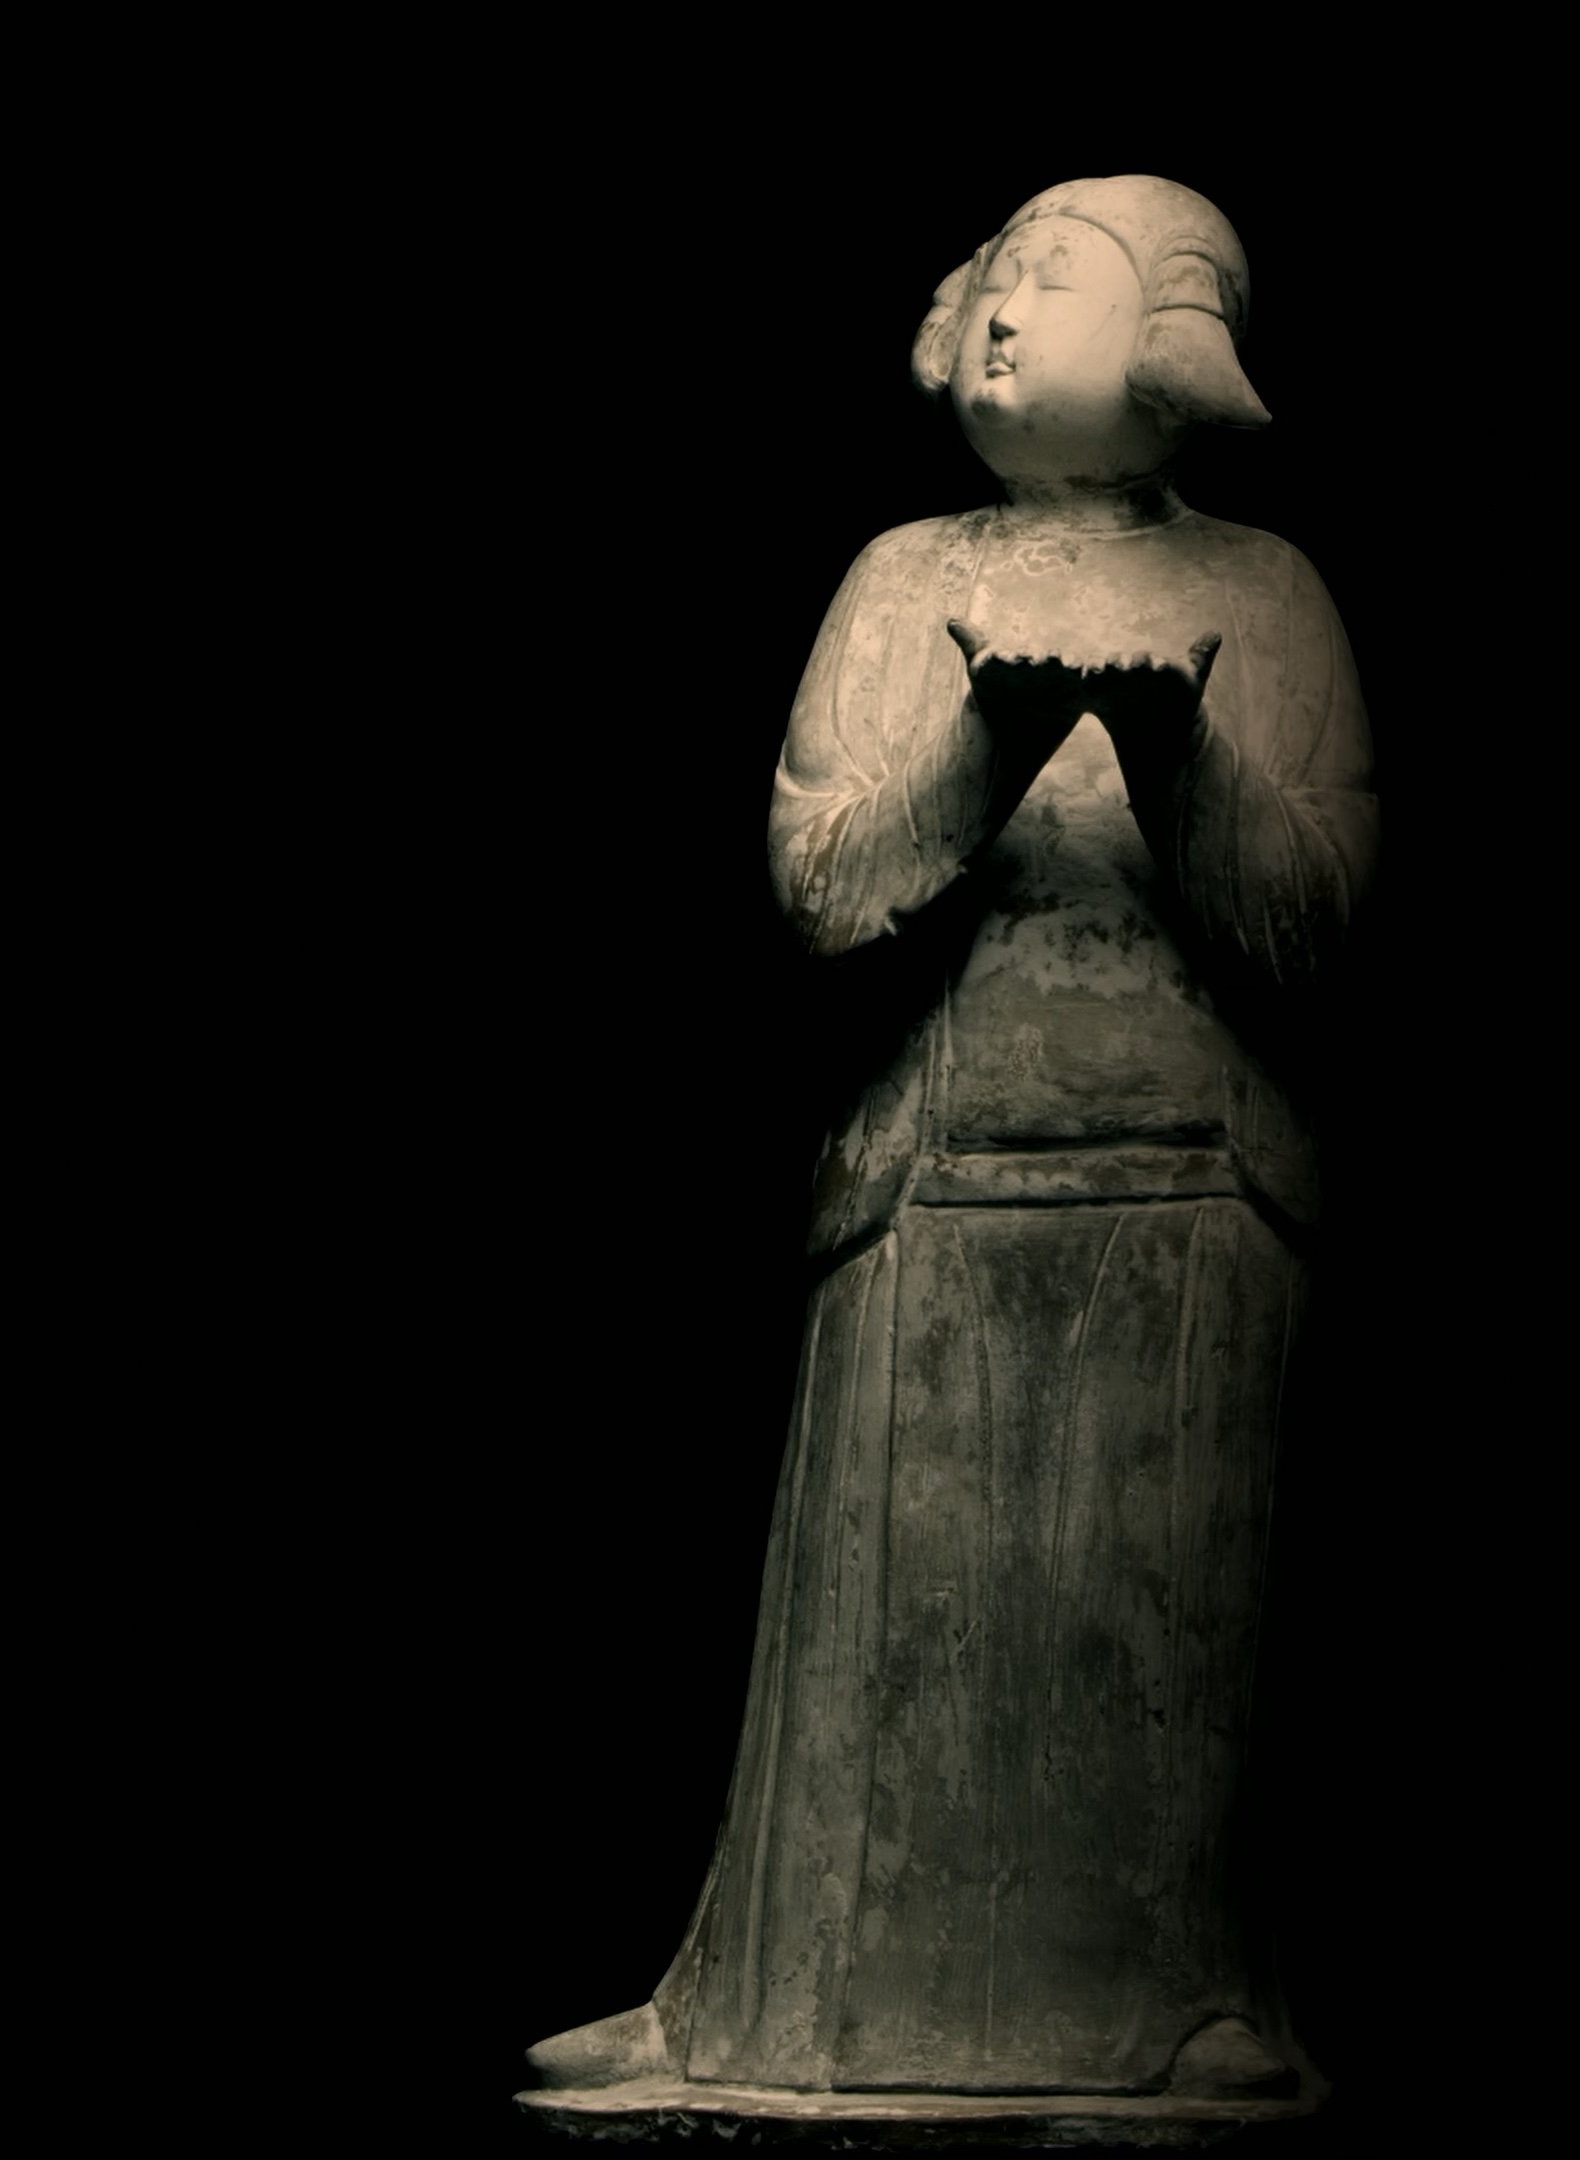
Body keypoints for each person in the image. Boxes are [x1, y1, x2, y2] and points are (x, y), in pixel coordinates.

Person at [524, 176, 1375, 2128]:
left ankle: (1180, 2005)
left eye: (1057, 279)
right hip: (931, 1163)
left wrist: (1177, 757)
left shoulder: (1265, 590)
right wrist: (987, 746)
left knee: (1148, 1635)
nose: (1004, 305)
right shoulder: (906, 575)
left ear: (1173, 341)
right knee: (877, 1635)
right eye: (998, 268)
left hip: (1189, 1179)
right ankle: (764, 2008)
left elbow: (1326, 923)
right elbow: (818, 883)